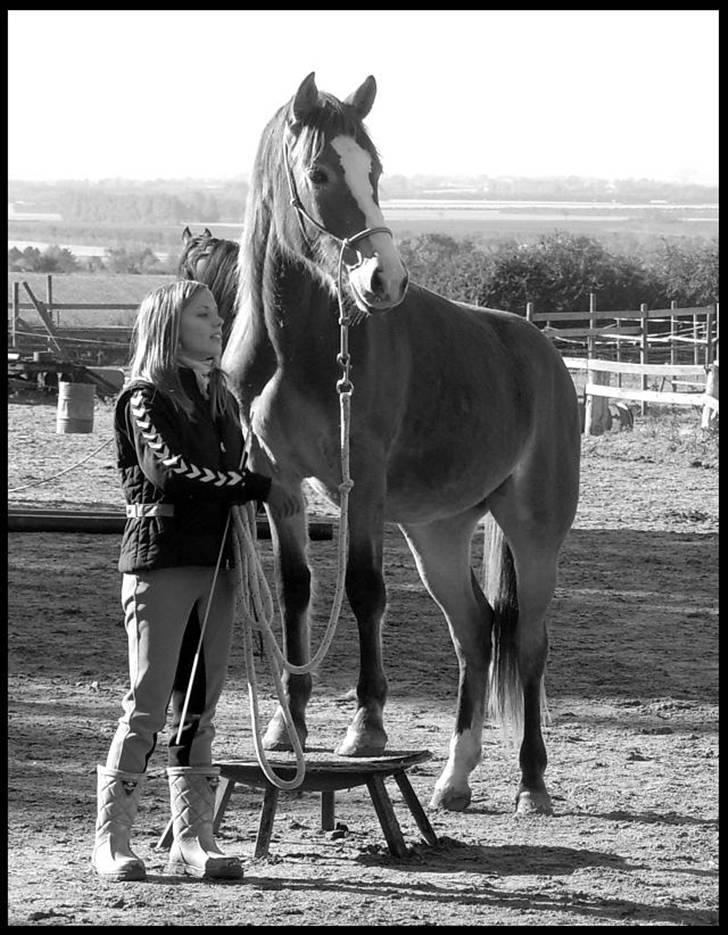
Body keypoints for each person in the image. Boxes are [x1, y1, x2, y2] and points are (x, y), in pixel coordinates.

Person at [92, 280, 297, 883]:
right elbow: (173, 474)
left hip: (217, 561)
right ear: (171, 325)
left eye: (215, 313)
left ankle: (193, 838)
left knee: (200, 704)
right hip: (161, 561)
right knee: (148, 702)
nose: (217, 322)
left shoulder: (221, 396)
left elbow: (233, 465)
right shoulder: (143, 398)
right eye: (203, 314)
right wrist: (258, 488)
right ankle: (112, 840)